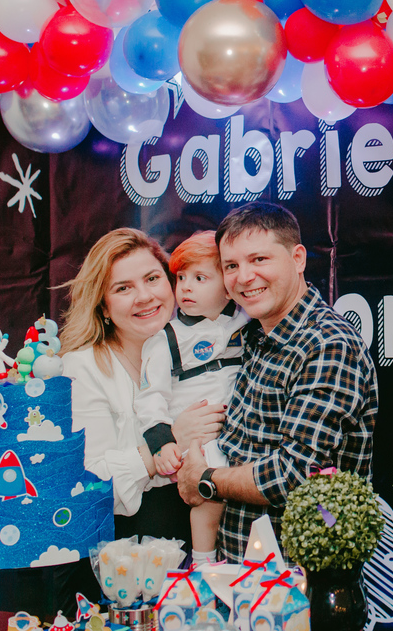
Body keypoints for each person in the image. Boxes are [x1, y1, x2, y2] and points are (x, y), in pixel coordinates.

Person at [176, 202, 380, 563]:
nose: (244, 277)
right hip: (240, 577)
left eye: (259, 260)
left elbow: (295, 474)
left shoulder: (327, 344)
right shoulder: (254, 336)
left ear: (298, 258)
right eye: (231, 266)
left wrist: (205, 479)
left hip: (297, 584)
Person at [59, 228, 225, 542]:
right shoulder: (83, 367)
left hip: (212, 531)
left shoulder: (208, 347)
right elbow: (88, 482)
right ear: (104, 306)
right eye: (123, 288)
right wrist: (168, 438)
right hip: (130, 554)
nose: (145, 296)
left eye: (152, 279)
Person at [135, 231, 250, 566]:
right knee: (208, 486)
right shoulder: (165, 340)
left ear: (228, 286)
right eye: (181, 277)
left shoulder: (245, 321)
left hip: (237, 436)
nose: (185, 287)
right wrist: (162, 443)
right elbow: (149, 399)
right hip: (197, 442)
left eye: (200, 278)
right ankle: (202, 563)